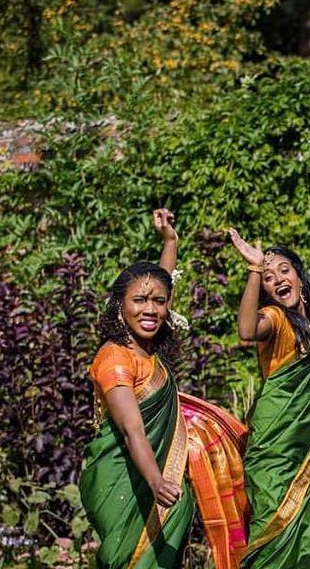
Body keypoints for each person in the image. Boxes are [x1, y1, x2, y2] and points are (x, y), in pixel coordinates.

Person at [81, 209, 248, 569]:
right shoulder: (115, 359)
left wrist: (170, 241)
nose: (151, 309)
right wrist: (157, 482)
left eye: (159, 302)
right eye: (139, 301)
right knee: (127, 559)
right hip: (127, 480)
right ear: (120, 306)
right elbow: (132, 430)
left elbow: (162, 281)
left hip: (164, 483)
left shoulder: (148, 350)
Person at [228, 230, 310, 568]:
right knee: (273, 538)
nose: (277, 279)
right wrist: (253, 271)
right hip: (275, 450)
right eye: (268, 277)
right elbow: (247, 330)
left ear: (299, 274)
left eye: (284, 270)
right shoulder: (276, 320)